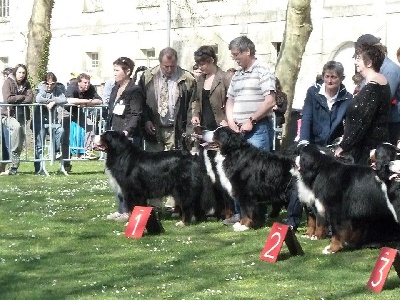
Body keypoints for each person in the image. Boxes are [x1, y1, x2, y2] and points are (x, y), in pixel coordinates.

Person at [289, 61, 353, 230]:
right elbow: (308, 117)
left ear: (341, 78)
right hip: (313, 144)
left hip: (333, 146)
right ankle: (292, 221)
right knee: (300, 183)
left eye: (334, 77)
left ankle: (331, 225)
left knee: (330, 188)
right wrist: (304, 142)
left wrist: (342, 143)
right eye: (327, 76)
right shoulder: (313, 92)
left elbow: (348, 123)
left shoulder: (348, 97)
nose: (330, 80)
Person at [223, 36, 276, 225]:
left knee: (257, 175)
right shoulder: (237, 75)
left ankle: (257, 216)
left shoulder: (263, 71)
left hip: (258, 129)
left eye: (237, 54)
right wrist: (230, 121)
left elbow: (270, 100)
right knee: (238, 175)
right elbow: (230, 100)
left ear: (248, 51)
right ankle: (241, 214)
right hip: (238, 131)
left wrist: (252, 119)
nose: (235, 58)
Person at [139, 47, 196, 210]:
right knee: (153, 168)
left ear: (176, 62)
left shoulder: (187, 78)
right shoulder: (147, 77)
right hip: (154, 128)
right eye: (166, 66)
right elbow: (141, 102)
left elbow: (193, 104)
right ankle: (155, 204)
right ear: (160, 63)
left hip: (175, 129)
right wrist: (146, 121)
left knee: (174, 168)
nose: (169, 69)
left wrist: (190, 128)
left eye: (172, 66)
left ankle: (174, 204)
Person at [335, 42, 391, 164]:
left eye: (358, 59)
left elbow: (362, 122)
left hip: (365, 152)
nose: (355, 62)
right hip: (371, 148)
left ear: (369, 63)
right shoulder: (379, 82)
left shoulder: (373, 87)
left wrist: (343, 146)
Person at [105, 57, 145, 222]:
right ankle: (121, 208)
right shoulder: (115, 88)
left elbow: (136, 114)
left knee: (128, 177)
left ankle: (130, 210)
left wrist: (128, 131)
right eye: (113, 69)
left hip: (128, 140)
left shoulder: (134, 90)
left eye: (117, 70)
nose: (114, 73)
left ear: (127, 71)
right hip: (114, 138)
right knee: (116, 175)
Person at [354, 35, 400, 145]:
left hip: (388, 125)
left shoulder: (390, 70)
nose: (357, 61)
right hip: (374, 124)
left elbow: (384, 99)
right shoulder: (374, 68)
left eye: (360, 56)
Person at [59, 73, 102, 172]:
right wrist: (84, 101)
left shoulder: (90, 88)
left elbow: (100, 100)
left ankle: (88, 150)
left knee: (90, 125)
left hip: (78, 112)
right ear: (79, 83)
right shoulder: (72, 86)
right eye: (85, 83)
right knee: (65, 136)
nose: (87, 85)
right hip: (65, 111)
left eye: (88, 83)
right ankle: (65, 163)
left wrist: (87, 103)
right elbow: (69, 100)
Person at [1, 64, 33, 175]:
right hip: (8, 115)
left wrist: (18, 100)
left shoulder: (27, 84)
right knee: (16, 128)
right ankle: (8, 163)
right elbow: (8, 99)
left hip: (22, 115)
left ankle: (14, 167)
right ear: (15, 72)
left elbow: (29, 99)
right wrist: (21, 97)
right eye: (19, 72)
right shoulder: (8, 82)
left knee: (20, 140)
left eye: (23, 73)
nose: (21, 75)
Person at [191, 45, 232, 130]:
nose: (199, 67)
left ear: (212, 61)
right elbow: (198, 100)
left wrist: (227, 120)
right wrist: (196, 114)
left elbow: (232, 102)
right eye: (198, 64)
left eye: (202, 64)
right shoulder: (201, 79)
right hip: (204, 126)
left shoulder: (226, 78)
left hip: (221, 127)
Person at [33, 72, 67, 174]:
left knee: (60, 130)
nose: (49, 86)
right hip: (40, 120)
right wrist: (50, 101)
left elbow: (64, 99)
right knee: (40, 144)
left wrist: (54, 101)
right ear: (44, 82)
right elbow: (38, 99)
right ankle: (38, 168)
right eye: (47, 84)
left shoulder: (57, 89)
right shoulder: (41, 88)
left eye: (52, 84)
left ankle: (56, 152)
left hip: (52, 121)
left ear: (55, 83)